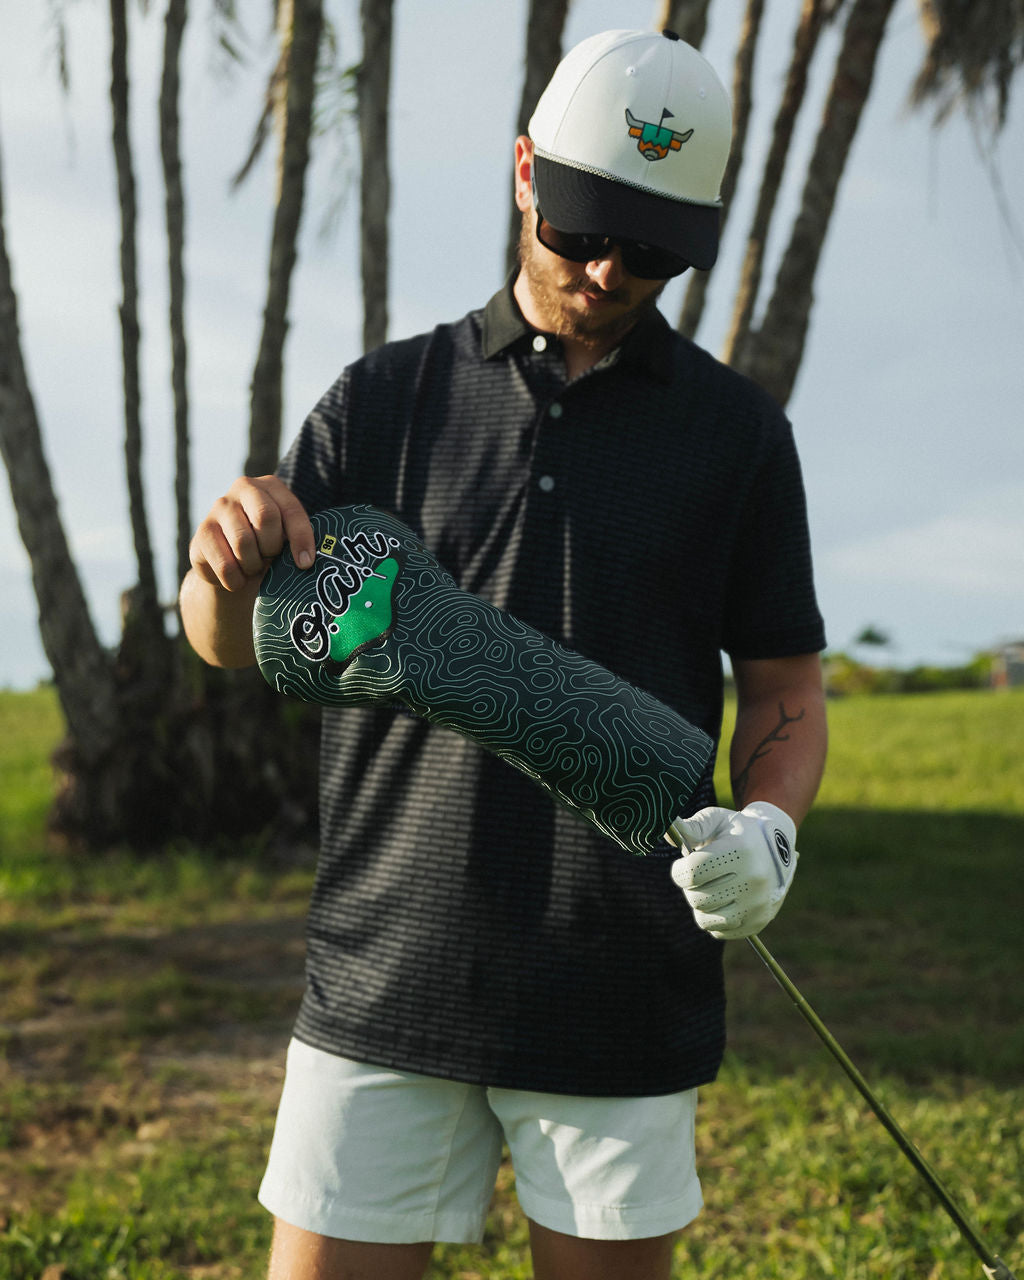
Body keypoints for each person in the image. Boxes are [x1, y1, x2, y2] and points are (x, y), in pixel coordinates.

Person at [180, 28, 828, 1280]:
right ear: (526, 172)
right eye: (581, 227)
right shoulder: (383, 400)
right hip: (386, 969)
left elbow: (785, 684)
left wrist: (771, 827)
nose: (606, 269)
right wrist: (222, 572)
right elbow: (232, 645)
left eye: (651, 249)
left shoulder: (738, 435)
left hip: (622, 981)